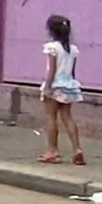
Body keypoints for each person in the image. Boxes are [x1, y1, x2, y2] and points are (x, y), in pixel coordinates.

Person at [40, 14, 84, 165]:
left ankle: (52, 151)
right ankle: (77, 148)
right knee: (68, 118)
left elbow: (51, 71)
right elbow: (72, 71)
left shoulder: (52, 48)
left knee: (51, 118)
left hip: (55, 85)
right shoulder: (73, 50)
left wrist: (47, 87)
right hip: (69, 85)